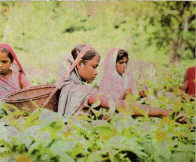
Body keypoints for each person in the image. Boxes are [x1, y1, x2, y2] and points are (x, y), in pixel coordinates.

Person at [57, 44, 187, 122]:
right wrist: (162, 112)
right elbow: (117, 104)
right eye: (94, 67)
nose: (96, 72)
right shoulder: (80, 91)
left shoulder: (70, 87)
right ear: (79, 64)